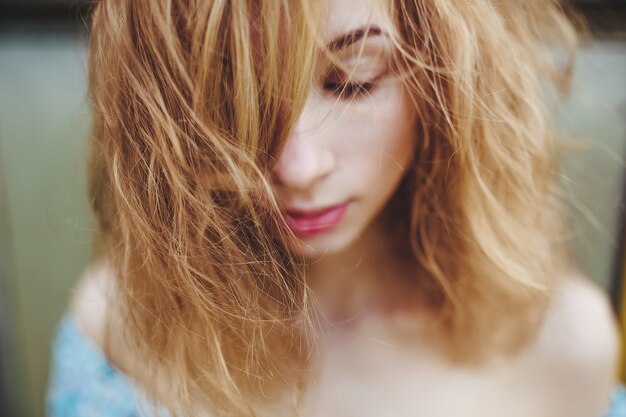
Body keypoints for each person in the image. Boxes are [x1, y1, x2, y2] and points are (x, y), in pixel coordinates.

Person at [47, 0, 622, 416]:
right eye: (232, 89)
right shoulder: (122, 326)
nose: (297, 167)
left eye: (353, 82)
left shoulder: (567, 347)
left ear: (452, 82)